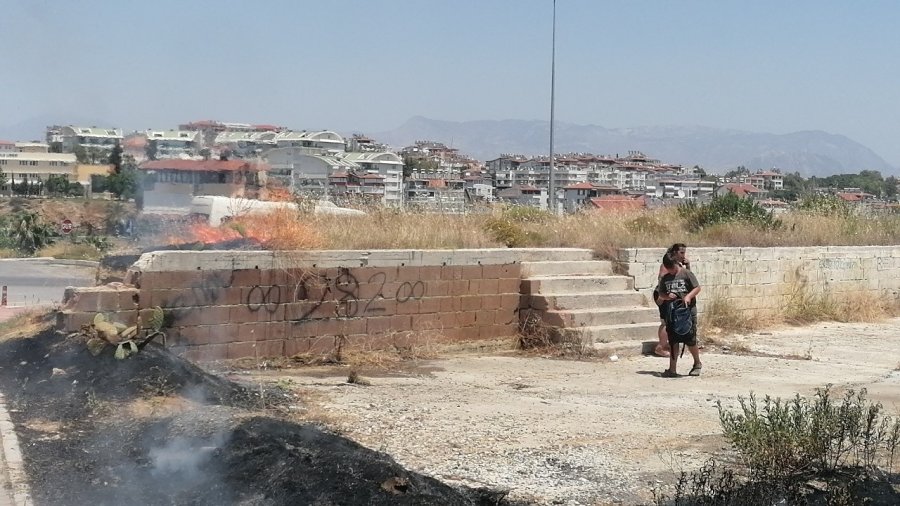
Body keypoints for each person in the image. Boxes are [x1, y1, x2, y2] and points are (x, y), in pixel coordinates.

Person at [655, 253, 702, 377]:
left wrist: (688, 296)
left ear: (676, 264)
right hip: (673, 313)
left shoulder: (686, 274)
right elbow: (660, 294)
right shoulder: (666, 278)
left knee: (690, 339)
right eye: (668, 268)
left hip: (687, 312)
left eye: (673, 268)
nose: (671, 271)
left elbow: (697, 288)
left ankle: (697, 364)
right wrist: (666, 296)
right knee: (673, 341)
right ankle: (672, 370)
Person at [652, 243, 691, 357]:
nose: (683, 255)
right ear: (675, 253)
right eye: (681, 253)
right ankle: (661, 347)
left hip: (672, 296)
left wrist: (688, 266)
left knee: (671, 321)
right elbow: (661, 280)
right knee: (665, 322)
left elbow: (687, 277)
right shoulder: (667, 264)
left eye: (684, 253)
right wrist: (662, 297)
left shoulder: (678, 265)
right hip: (665, 295)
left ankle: (666, 344)